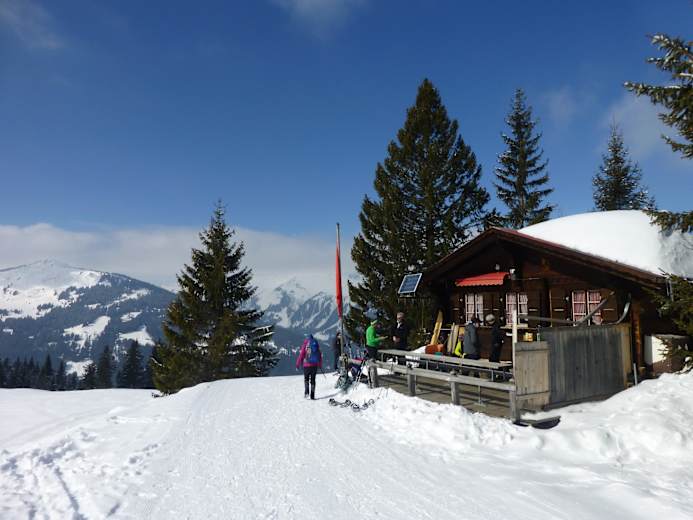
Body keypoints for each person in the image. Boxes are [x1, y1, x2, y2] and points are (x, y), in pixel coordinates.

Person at [296, 334, 322, 399]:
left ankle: (306, 392)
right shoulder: (316, 344)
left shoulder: (305, 344)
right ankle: (312, 395)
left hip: (306, 365)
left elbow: (301, 355)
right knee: (313, 380)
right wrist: (320, 365)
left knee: (306, 379)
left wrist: (297, 364)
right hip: (314, 365)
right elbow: (319, 355)